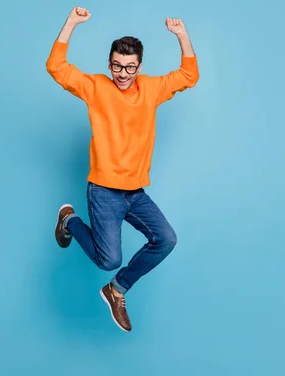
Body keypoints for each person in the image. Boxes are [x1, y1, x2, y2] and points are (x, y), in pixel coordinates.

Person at [46, 6, 199, 332]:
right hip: (103, 191)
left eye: (130, 67)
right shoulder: (97, 87)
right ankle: (69, 221)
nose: (123, 73)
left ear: (140, 66)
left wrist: (182, 36)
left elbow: (189, 76)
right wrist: (72, 22)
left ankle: (117, 290)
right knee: (108, 260)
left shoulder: (151, 89)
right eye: (117, 66)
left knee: (166, 240)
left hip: (135, 192)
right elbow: (56, 67)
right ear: (109, 64)